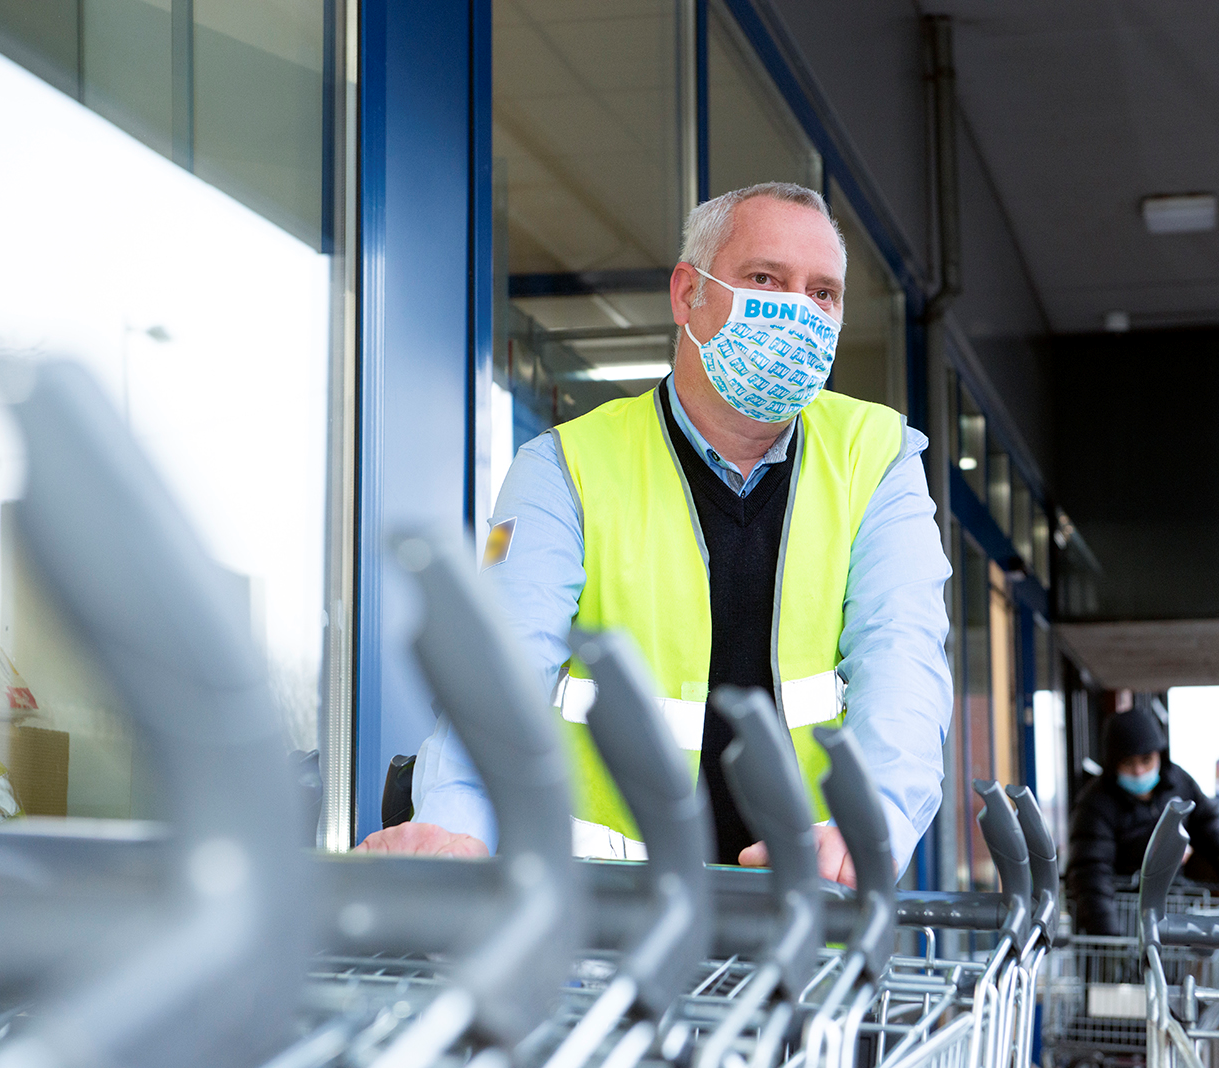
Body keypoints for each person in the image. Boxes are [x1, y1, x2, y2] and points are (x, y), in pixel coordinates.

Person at [355, 182, 953, 887]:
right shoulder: (564, 467)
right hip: (611, 938)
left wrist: (875, 815)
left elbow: (902, 651)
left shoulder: (877, 455)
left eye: (822, 293)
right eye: (766, 279)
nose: (797, 312)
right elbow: (500, 666)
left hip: (808, 922)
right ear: (686, 294)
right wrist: (456, 826)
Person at [1066, 708, 1219, 935]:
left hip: (1170, 911)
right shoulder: (1095, 805)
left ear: (1160, 755)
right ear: (1113, 765)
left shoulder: (1179, 782)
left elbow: (1209, 823)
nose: (1139, 771)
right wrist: (1109, 936)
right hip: (1122, 915)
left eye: (1146, 760)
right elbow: (1091, 873)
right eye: (1128, 763)